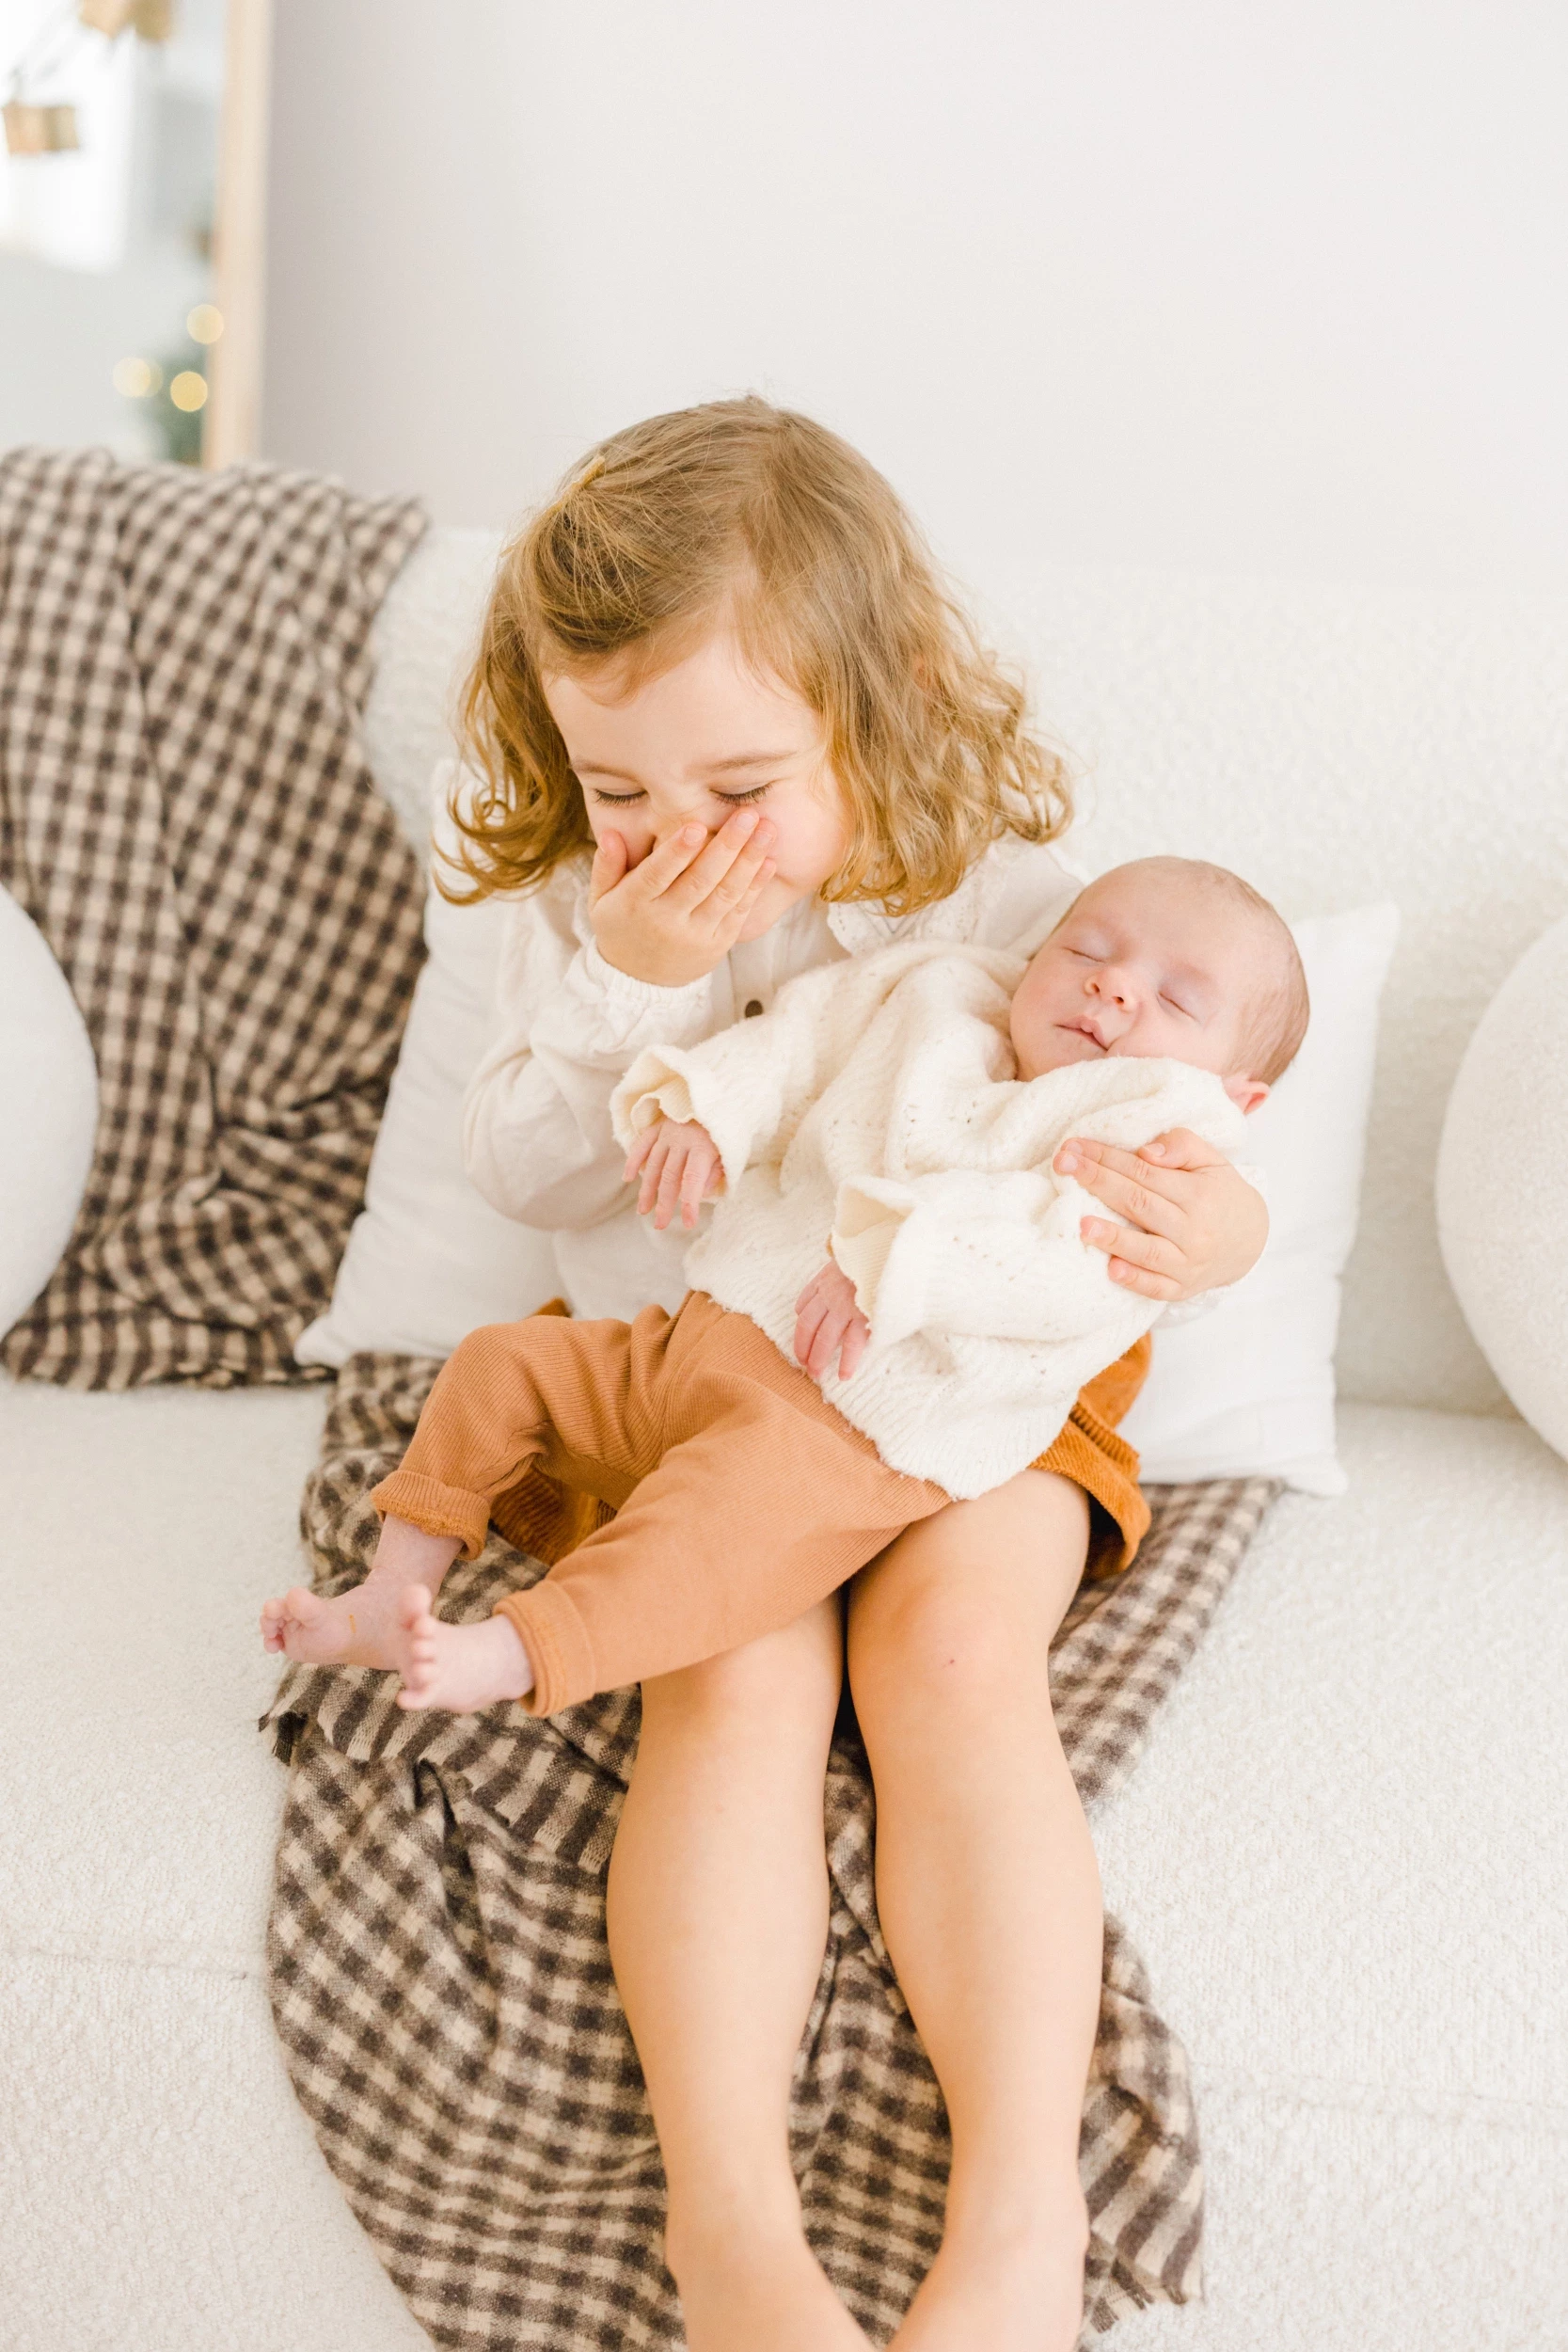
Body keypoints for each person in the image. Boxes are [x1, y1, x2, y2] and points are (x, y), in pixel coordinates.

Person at [261, 400, 1270, 2352]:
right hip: (708, 1390)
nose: (680, 837)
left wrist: (1206, 1232)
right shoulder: (582, 912)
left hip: (966, 1386)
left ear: (869, 710)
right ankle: (734, 2229)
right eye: (616, 784)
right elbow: (527, 1170)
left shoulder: (988, 896)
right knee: (731, 1671)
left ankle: (1017, 2215)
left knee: (952, 1666)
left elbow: (1168, 1126)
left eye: (736, 778)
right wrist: (630, 971)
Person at [290, 855, 1299, 1723]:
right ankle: (393, 1589)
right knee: (499, 1363)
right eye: (1085, 950)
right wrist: (704, 1106)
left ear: (1235, 1095)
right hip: (687, 1350)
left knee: (700, 1539)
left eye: (1175, 999)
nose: (1114, 987)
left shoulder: (1151, 1140)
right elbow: (801, 1040)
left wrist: (892, 1263)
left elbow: (1057, 1269)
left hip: (836, 1431)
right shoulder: (938, 995)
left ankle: (515, 1653)